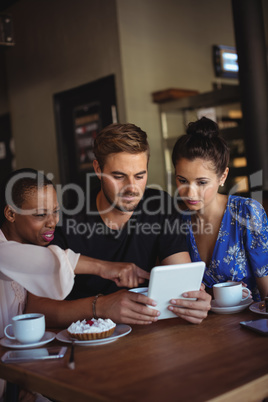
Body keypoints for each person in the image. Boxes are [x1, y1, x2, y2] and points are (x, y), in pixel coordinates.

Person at [26, 123, 211, 326]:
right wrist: (101, 306)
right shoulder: (66, 221)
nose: (131, 188)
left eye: (140, 176)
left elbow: (181, 278)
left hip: (145, 338)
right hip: (84, 342)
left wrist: (194, 300)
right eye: (118, 176)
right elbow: (36, 307)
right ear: (98, 169)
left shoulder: (160, 206)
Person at [0, 168, 150, 339]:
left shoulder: (35, 246)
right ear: (11, 213)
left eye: (56, 211)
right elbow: (44, 261)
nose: (52, 222)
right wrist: (104, 268)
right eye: (41, 214)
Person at [172, 116, 268, 301]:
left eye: (201, 182)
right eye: (182, 180)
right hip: (198, 326)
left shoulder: (247, 213)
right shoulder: (176, 220)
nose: (190, 193)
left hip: (251, 323)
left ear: (223, 176)